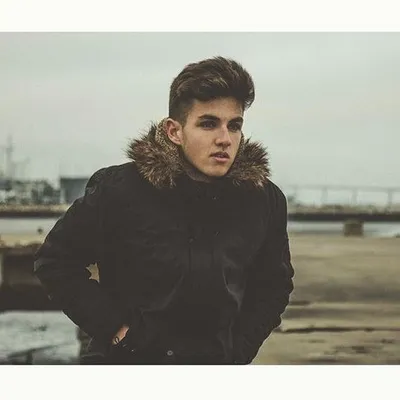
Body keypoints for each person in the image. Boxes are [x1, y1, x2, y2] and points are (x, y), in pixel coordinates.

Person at [33, 56, 294, 365]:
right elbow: (56, 261)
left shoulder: (262, 200)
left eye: (234, 126)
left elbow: (274, 285)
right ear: (174, 131)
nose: (224, 139)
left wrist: (239, 351)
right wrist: (118, 332)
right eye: (208, 123)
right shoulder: (120, 190)